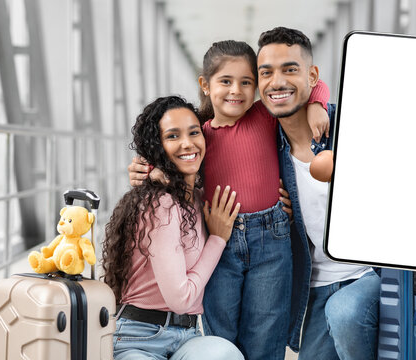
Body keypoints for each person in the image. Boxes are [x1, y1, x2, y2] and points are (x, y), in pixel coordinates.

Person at [129, 28, 416, 359]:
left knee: (298, 323)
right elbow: (183, 149)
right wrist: (149, 167)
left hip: (339, 266)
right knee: (228, 331)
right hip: (283, 270)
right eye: (264, 74)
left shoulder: (320, 125)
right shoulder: (238, 135)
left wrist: (319, 103)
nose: (244, 89)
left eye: (248, 81)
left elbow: (309, 92)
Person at [254, 27, 416, 360]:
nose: (276, 81)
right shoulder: (265, 144)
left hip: (371, 274)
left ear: (312, 75)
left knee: (345, 311)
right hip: (316, 286)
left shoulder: (355, 123)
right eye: (266, 73)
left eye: (289, 69)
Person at [130, 40, 330, 360]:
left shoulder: (264, 116)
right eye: (226, 81)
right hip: (219, 238)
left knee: (267, 326)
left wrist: (318, 105)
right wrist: (144, 171)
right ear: (205, 85)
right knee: (220, 332)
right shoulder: (198, 136)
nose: (236, 91)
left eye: (246, 82)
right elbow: (164, 160)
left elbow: (312, 83)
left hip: (272, 239)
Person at [102, 95, 244, 360]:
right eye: (173, 136)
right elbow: (181, 299)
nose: (187, 143)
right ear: (158, 148)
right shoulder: (160, 202)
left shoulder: (200, 198)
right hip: (137, 337)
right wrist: (218, 239)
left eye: (194, 133)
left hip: (187, 336)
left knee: (226, 355)